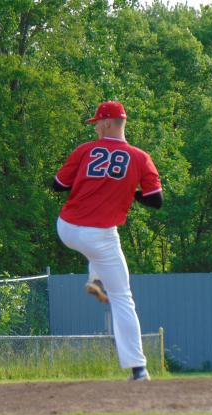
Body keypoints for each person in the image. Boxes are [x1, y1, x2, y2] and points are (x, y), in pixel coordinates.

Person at [52, 101, 163, 382]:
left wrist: (87, 182)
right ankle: (138, 369)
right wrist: (131, 193)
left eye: (99, 122)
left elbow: (57, 185)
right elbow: (156, 201)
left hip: (66, 228)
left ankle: (96, 278)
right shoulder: (140, 158)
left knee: (98, 248)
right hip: (99, 236)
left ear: (111, 123)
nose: (97, 127)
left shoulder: (85, 150)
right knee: (123, 298)